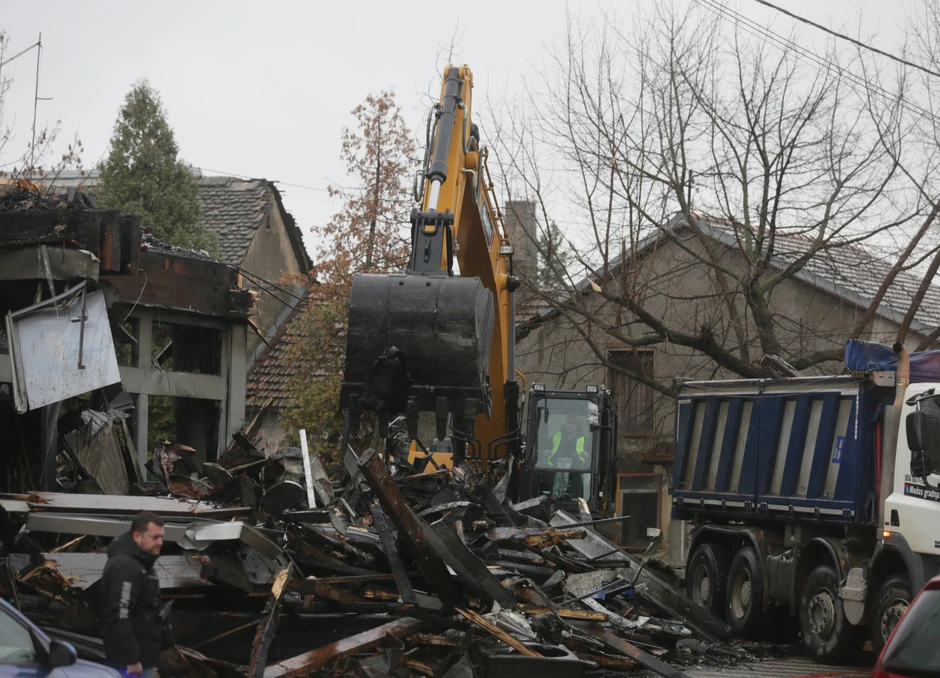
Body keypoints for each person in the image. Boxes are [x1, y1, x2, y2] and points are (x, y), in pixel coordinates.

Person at [99, 511, 165, 678]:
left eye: (161, 537)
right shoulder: (127, 568)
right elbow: (120, 615)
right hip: (130, 664)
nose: (160, 542)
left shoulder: (140, 563)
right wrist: (131, 659)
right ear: (137, 536)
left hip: (143, 658)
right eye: (155, 537)